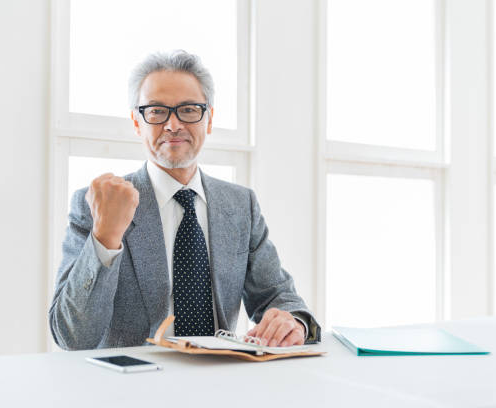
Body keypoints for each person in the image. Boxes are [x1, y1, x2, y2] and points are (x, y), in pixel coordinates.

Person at [49, 50, 320, 350]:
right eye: (156, 111)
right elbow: (71, 337)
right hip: (131, 390)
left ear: (209, 118)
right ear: (137, 122)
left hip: (220, 383)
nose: (173, 125)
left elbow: (277, 295)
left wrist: (292, 321)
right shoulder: (98, 204)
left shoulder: (241, 205)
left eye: (189, 110)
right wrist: (105, 236)